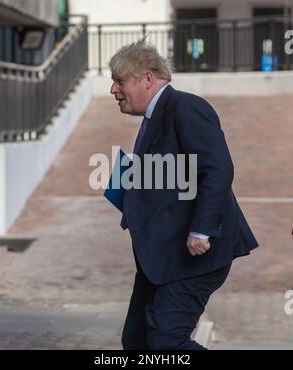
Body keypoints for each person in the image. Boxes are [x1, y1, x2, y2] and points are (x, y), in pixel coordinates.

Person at [109, 40, 259, 350]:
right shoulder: (156, 116)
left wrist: (200, 230)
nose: (113, 89)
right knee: (136, 342)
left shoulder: (186, 107)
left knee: (166, 343)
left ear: (147, 78)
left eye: (120, 80)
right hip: (161, 257)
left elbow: (217, 169)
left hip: (194, 256)